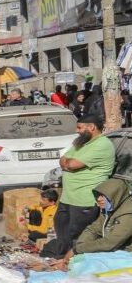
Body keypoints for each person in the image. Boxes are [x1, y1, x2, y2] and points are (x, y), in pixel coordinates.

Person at [45, 102, 116, 257]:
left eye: (79, 128)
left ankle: (75, 263)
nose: (77, 131)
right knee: (61, 227)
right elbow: (63, 159)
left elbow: (72, 164)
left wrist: (68, 163)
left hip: (84, 200)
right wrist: (67, 163)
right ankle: (62, 258)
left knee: (77, 235)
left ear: (91, 127)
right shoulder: (82, 142)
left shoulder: (102, 144)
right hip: (69, 197)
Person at [71, 179, 132, 255]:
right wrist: (80, 245)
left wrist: (78, 250)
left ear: (116, 195)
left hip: (126, 254)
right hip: (113, 252)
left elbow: (110, 243)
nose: (99, 199)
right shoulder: (109, 209)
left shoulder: (129, 212)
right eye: (98, 195)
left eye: (103, 196)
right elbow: (93, 229)